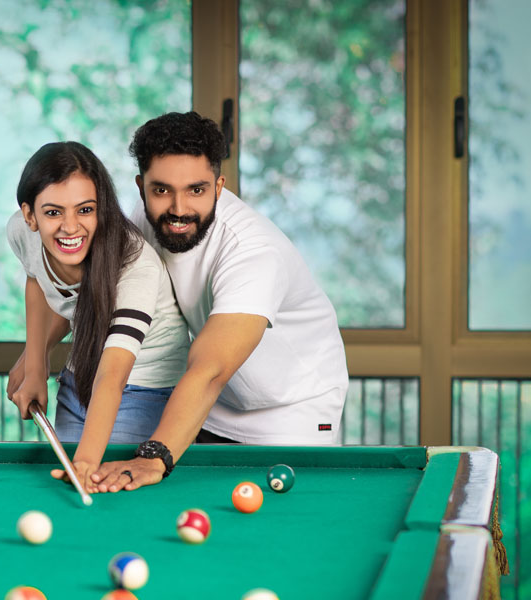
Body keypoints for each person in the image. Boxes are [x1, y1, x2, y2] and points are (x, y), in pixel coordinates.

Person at [91, 112, 349, 492]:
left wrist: (154, 455)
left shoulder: (252, 251)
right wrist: (35, 354)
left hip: (292, 409)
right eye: (161, 190)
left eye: (196, 190)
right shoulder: (145, 222)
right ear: (141, 186)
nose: (179, 209)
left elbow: (210, 368)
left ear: (219, 185)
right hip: (216, 406)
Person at [5, 141, 189, 492]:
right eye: (53, 212)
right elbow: (36, 281)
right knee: (69, 490)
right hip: (79, 378)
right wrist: (34, 367)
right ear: (30, 216)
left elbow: (113, 375)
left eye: (85, 210)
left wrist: (87, 462)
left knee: (103, 490)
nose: (70, 227)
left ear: (101, 209)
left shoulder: (136, 264)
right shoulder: (21, 233)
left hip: (144, 387)